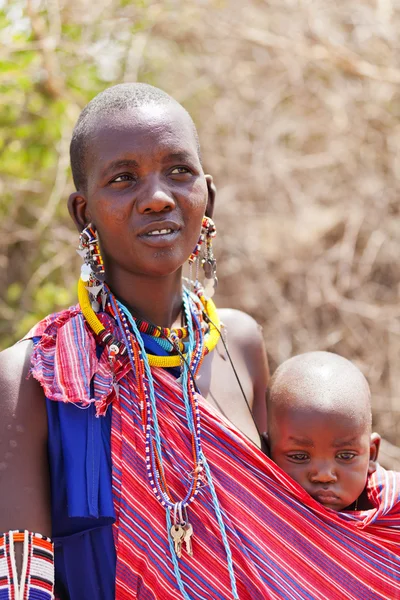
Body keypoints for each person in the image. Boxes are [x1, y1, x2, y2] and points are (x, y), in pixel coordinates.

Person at [0, 84, 399, 600]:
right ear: (84, 213)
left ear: (207, 195)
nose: (159, 197)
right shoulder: (37, 377)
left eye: (179, 172)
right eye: (123, 179)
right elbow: (20, 583)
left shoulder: (240, 345)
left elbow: (307, 537)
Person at [266, 351, 381, 511]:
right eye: (299, 456)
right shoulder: (259, 516)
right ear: (267, 449)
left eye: (345, 456)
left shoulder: (391, 513)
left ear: (372, 454)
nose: (324, 476)